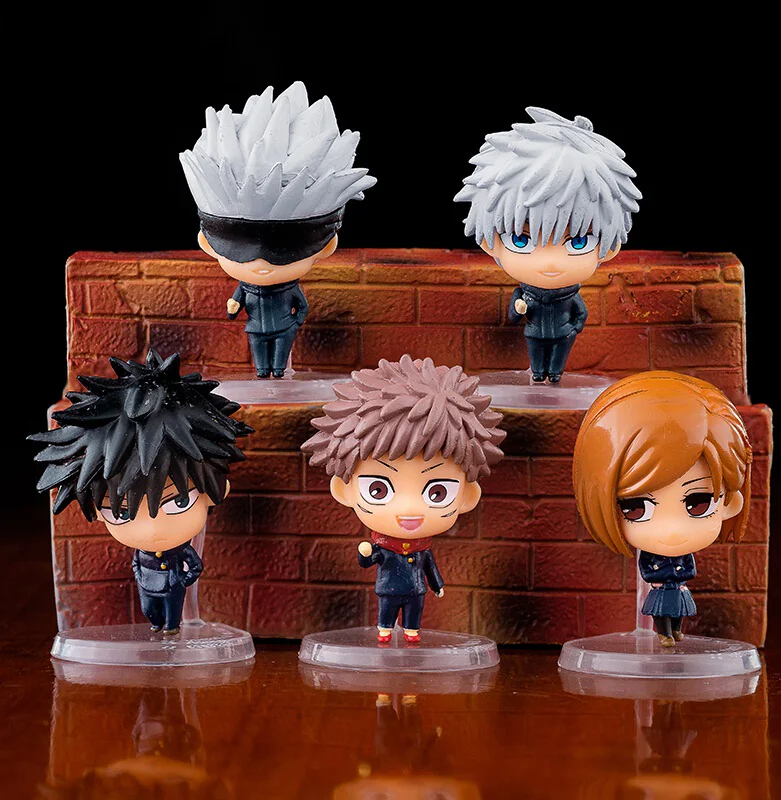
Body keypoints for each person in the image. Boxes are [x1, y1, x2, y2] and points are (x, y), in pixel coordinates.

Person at [29, 350, 253, 634]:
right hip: (148, 585)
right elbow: (137, 564)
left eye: (178, 502)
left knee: (172, 616)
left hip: (172, 586)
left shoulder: (181, 548)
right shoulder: (141, 553)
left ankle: (170, 628)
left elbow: (195, 566)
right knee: (151, 612)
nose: (152, 529)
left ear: (216, 490)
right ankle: (159, 626)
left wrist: (182, 580)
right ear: (97, 511)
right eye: (122, 513)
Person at [302, 354, 505, 642]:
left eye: (437, 493)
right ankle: (385, 630)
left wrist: (437, 585)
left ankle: (410, 632)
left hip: (416, 591)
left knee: (413, 616)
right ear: (344, 489)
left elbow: (429, 567)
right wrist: (365, 553)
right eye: (378, 490)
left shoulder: (422, 550)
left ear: (467, 496)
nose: (409, 509)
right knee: (387, 613)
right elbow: (369, 561)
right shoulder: (384, 548)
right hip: (388, 589)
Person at [180, 81, 376, 378]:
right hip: (257, 328)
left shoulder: (288, 289)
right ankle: (264, 373)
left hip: (284, 328)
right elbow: (236, 306)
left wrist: (295, 322)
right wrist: (233, 307)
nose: (261, 263)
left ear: (327, 246)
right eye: (240, 253)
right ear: (207, 244)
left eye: (282, 253)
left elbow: (302, 307)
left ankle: (276, 372)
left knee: (278, 362)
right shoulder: (247, 289)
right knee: (262, 363)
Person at [455, 106, 641, 382]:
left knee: (556, 363)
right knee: (537, 362)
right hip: (533, 333)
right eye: (521, 239)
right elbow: (514, 316)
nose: (550, 262)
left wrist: (574, 328)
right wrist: (519, 310)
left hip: (563, 334)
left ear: (610, 247)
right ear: (488, 242)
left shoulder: (570, 296)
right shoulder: (525, 294)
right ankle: (539, 373)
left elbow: (581, 313)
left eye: (578, 241)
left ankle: (554, 374)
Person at [572, 371, 752, 646]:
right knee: (660, 611)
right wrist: (660, 580)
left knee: (678, 610)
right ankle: (664, 633)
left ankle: (675, 631)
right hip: (660, 587)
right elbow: (648, 569)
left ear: (730, 503)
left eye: (698, 503)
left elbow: (689, 568)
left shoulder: (683, 556)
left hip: (676, 587)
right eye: (635, 507)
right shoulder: (651, 556)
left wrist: (678, 578)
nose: (671, 529)